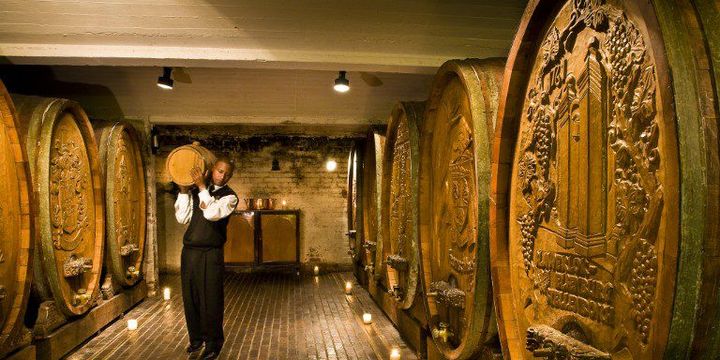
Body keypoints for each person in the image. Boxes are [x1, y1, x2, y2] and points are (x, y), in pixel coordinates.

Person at [174, 156, 238, 360]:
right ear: (211, 170)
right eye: (220, 171)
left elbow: (211, 213)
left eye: (227, 173)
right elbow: (181, 218)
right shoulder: (195, 192)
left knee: (211, 299)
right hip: (190, 252)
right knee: (190, 298)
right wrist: (184, 191)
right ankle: (196, 339)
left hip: (211, 254)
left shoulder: (230, 197)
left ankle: (213, 344)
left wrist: (201, 187)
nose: (223, 176)